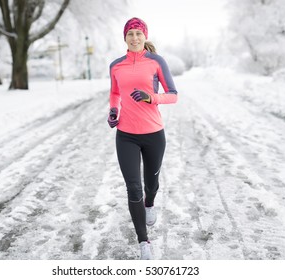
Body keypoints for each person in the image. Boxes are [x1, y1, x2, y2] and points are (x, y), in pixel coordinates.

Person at [107, 17, 178, 260]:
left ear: (144, 36)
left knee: (151, 184)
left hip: (153, 134)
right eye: (130, 34)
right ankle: (143, 240)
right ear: (125, 38)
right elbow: (115, 93)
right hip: (126, 135)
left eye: (138, 33)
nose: (135, 38)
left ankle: (150, 203)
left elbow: (173, 95)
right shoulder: (116, 66)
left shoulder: (156, 62)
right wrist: (113, 111)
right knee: (133, 187)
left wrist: (152, 98)